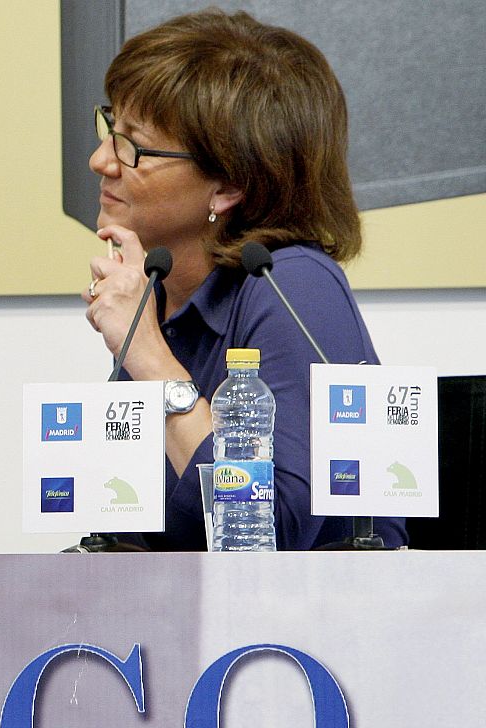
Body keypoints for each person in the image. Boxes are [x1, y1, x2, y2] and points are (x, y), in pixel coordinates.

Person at [81, 9, 405, 550]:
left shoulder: (292, 285)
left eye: (133, 147)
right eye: (110, 131)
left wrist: (148, 357)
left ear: (227, 187)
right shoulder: (159, 295)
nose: (99, 160)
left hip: (306, 628)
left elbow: (266, 531)